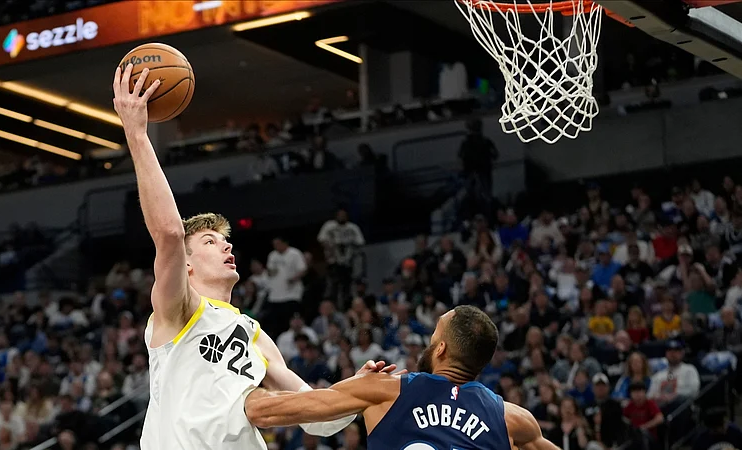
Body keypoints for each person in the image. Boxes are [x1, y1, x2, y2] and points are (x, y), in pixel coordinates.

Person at [111, 63, 385, 449]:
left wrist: (352, 388)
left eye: (224, 241)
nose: (226, 246)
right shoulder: (178, 310)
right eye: (209, 241)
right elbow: (170, 233)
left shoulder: (255, 336)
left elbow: (319, 422)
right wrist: (137, 133)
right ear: (186, 265)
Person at [246, 305, 559, 450]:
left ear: (441, 349)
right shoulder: (513, 420)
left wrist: (246, 389)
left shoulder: (386, 389)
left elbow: (266, 411)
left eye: (433, 334)